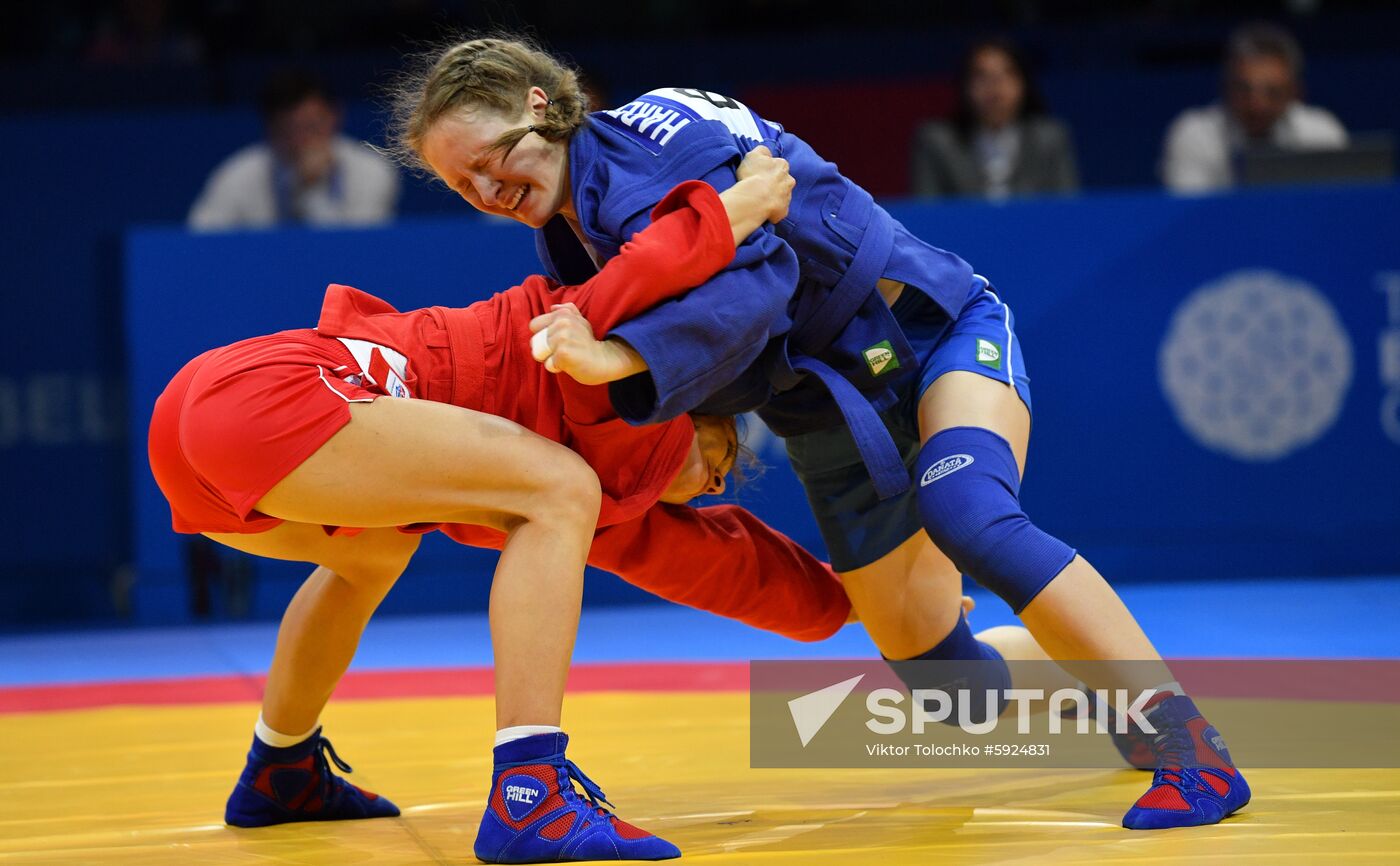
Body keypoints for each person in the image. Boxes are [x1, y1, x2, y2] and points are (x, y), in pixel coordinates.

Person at [388, 34, 1251, 831]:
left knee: (969, 512)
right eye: (464, 187)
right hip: (826, 407)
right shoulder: (578, 227)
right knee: (953, 689)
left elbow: (757, 287)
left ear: (540, 105)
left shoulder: (652, 155)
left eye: (492, 161)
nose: (490, 192)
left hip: (924, 337)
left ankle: (1191, 746)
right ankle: (1107, 690)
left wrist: (615, 358)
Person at [151, 152, 852, 862]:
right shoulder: (615, 383)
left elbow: (717, 566)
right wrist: (742, 205)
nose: (711, 486)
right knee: (561, 489)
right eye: (720, 460)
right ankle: (530, 796)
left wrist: (859, 601)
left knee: (375, 551)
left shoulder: (604, 478)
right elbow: (640, 274)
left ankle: (282, 767)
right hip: (270, 400)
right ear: (688, 403)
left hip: (205, 419)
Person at [188, 68, 400, 230]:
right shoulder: (237, 175)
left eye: (312, 126)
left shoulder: (372, 171)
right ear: (270, 129)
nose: (303, 141)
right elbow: (202, 242)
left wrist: (311, 187)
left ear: (335, 116)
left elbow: (358, 250)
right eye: (289, 130)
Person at [1161, 21, 1348, 193]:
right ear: (1225, 87)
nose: (1257, 105)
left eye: (1272, 92)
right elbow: (1189, 214)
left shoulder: (1321, 133)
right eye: (1244, 90)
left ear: (1295, 93)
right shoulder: (1194, 134)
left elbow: (1334, 206)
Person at [911, 37, 1079, 200]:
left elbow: (1067, 209)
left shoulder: (1050, 139)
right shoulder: (937, 142)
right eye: (981, 76)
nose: (994, 86)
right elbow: (928, 211)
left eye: (1006, 74)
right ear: (965, 84)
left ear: (1023, 83)